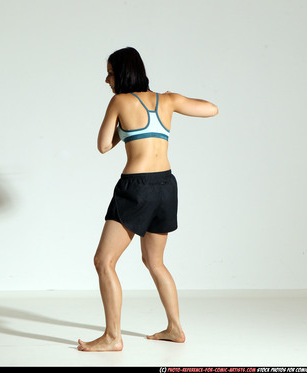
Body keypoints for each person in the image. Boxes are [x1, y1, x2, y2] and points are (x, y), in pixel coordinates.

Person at [77, 47, 218, 352]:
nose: (106, 79)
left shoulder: (119, 101)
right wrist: (171, 102)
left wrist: (124, 130)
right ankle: (176, 329)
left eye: (111, 73)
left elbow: (103, 146)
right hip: (166, 185)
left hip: (136, 188)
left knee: (104, 261)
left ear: (123, 73)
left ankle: (112, 337)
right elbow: (212, 109)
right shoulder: (167, 100)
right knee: (155, 262)